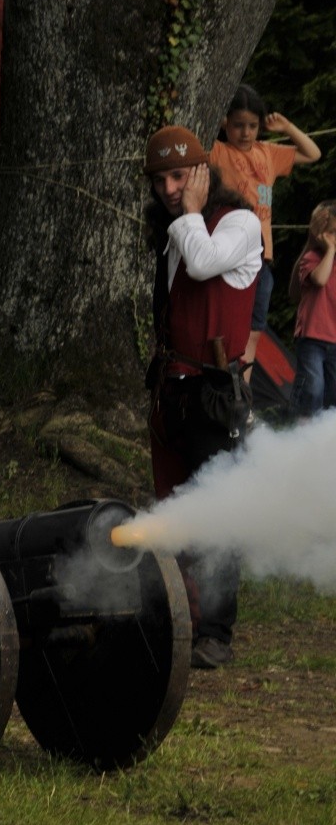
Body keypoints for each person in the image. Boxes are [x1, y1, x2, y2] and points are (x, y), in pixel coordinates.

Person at [144, 126, 262, 669]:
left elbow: (204, 263)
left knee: (215, 514)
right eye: (160, 179)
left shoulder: (237, 223)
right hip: (174, 390)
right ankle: (184, 619)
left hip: (215, 394)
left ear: (201, 172)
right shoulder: (175, 231)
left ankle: (215, 631)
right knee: (177, 510)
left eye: (179, 176)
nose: (170, 188)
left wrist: (190, 210)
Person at [210, 83, 321, 378]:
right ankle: (222, 389)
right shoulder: (218, 151)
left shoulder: (268, 153)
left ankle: (242, 395)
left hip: (262, 257)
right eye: (237, 125)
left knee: (254, 331)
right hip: (230, 255)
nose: (245, 133)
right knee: (225, 326)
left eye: (252, 126)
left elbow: (313, 154)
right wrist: (217, 122)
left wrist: (286, 127)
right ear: (225, 124)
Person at [288, 201, 336, 419]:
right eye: (329, 232)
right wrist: (331, 250)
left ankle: (325, 440)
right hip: (313, 338)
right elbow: (319, 279)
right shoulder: (311, 259)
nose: (332, 237)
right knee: (312, 387)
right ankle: (301, 428)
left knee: (331, 393)